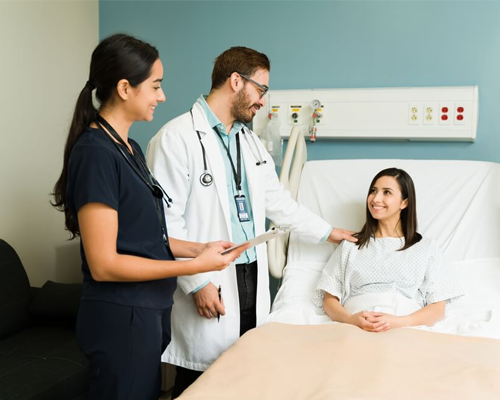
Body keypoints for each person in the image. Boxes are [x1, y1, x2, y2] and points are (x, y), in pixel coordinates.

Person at [146, 46, 356, 398]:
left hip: (248, 274)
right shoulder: (175, 138)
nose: (262, 101)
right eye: (260, 90)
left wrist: (330, 232)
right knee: (199, 384)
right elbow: (164, 224)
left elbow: (279, 204)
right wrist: (197, 282)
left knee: (242, 377)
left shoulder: (251, 142)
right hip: (209, 276)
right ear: (235, 81)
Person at [51, 34, 246, 400]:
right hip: (121, 317)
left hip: (147, 311)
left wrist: (199, 248)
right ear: (125, 88)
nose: (162, 96)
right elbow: (104, 264)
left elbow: (143, 237)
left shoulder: (129, 148)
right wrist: (194, 268)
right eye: (155, 85)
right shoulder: (96, 154)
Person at [313, 168, 464, 332]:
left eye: (387, 192)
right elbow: (329, 300)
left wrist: (398, 322)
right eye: (373, 191)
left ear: (404, 202)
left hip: (406, 328)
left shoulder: (426, 248)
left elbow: (437, 308)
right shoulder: (350, 245)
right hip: (356, 327)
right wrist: (351, 320)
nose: (376, 199)